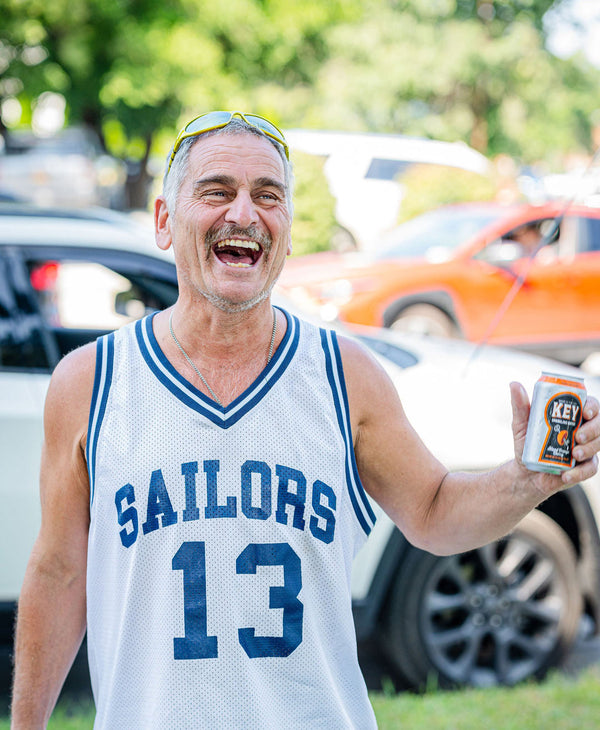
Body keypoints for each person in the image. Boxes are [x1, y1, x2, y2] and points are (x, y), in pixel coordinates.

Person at [11, 111, 600, 729]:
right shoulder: (90, 383)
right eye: (217, 192)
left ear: (287, 233)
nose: (244, 214)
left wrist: (529, 478)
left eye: (269, 197)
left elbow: (434, 515)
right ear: (164, 221)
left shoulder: (345, 375)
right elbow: (59, 570)